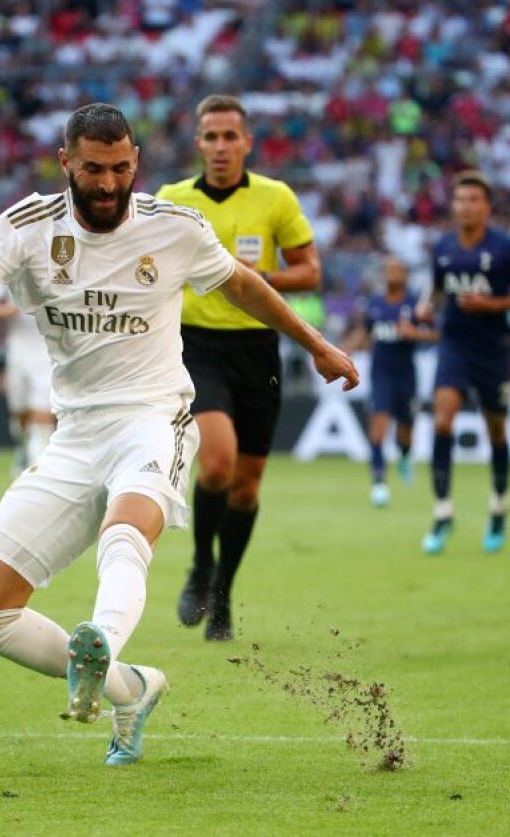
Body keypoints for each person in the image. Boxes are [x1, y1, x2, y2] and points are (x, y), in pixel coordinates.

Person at [0, 103, 357, 766]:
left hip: (155, 420)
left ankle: (100, 636)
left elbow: (245, 286)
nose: (108, 183)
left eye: (121, 168)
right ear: (65, 161)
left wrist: (318, 344)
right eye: (93, 169)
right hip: (74, 437)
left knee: (126, 533)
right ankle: (131, 687)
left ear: (136, 163)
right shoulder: (30, 225)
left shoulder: (173, 226)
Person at [156, 94, 322, 641]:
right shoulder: (172, 200)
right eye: (211, 136)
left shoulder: (276, 198)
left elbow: (310, 271)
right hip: (196, 347)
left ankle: (224, 592)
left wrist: (261, 274)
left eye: (231, 136)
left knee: (247, 489)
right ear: (198, 143)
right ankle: (202, 564)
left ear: (247, 142)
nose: (221, 146)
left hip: (258, 352)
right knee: (219, 465)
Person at [419, 170, 510, 555]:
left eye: (473, 200)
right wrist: (425, 307)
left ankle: (499, 505)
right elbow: (436, 289)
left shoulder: (506, 248)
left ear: (486, 207)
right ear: (453, 207)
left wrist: (492, 304)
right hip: (454, 344)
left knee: (496, 431)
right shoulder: (443, 247)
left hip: (494, 349)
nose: (466, 207)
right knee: (442, 418)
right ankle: (442, 512)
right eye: (460, 200)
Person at [347, 256, 435, 507]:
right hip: (381, 375)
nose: (393, 274)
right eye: (389, 270)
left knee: (405, 433)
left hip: (406, 376)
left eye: (398, 270)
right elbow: (363, 334)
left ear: (405, 275)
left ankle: (405, 458)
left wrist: (415, 333)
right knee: (378, 428)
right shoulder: (374, 304)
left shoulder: (415, 304)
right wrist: (345, 349)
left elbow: (438, 335)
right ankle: (379, 483)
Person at [0, 283, 55, 474]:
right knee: (20, 415)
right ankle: (22, 449)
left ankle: (37, 468)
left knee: (42, 415)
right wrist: (17, 308)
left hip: (47, 353)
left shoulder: (61, 268)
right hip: (18, 352)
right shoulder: (13, 268)